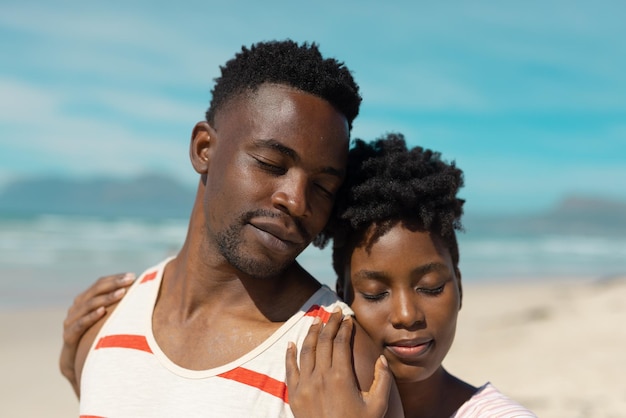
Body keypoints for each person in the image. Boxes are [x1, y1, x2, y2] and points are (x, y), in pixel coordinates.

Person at [62, 39, 403, 418]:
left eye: (323, 187)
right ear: (204, 148)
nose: (296, 201)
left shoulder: (337, 363)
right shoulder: (106, 323)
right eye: (271, 163)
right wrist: (78, 366)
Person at [285, 134, 537, 417]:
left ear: (460, 288)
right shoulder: (301, 400)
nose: (406, 315)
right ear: (343, 297)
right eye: (375, 293)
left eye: (431, 287)